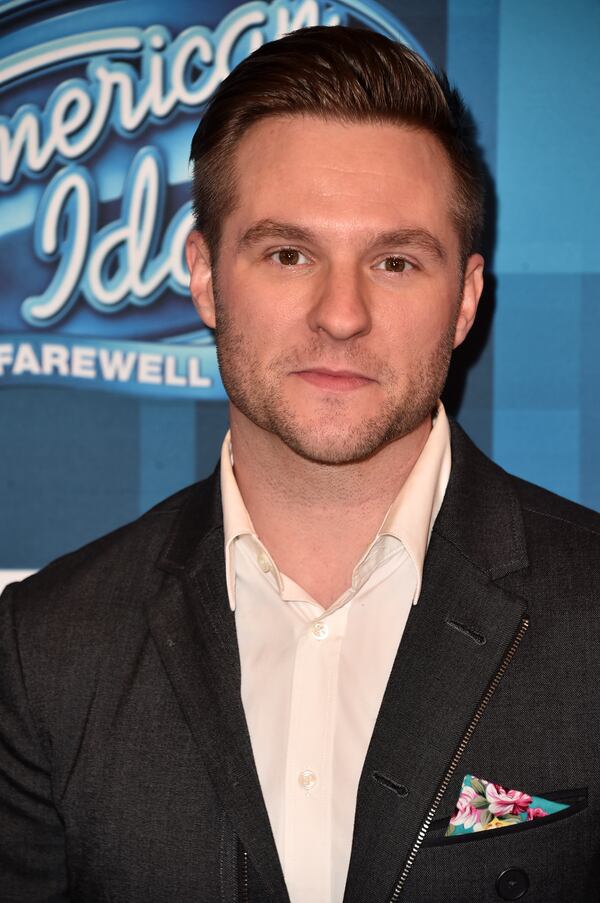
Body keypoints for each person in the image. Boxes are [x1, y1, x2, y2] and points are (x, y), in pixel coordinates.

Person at [1, 25, 599, 903]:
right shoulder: (44, 650)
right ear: (204, 275)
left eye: (395, 261)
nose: (342, 314)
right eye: (289, 254)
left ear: (466, 298)